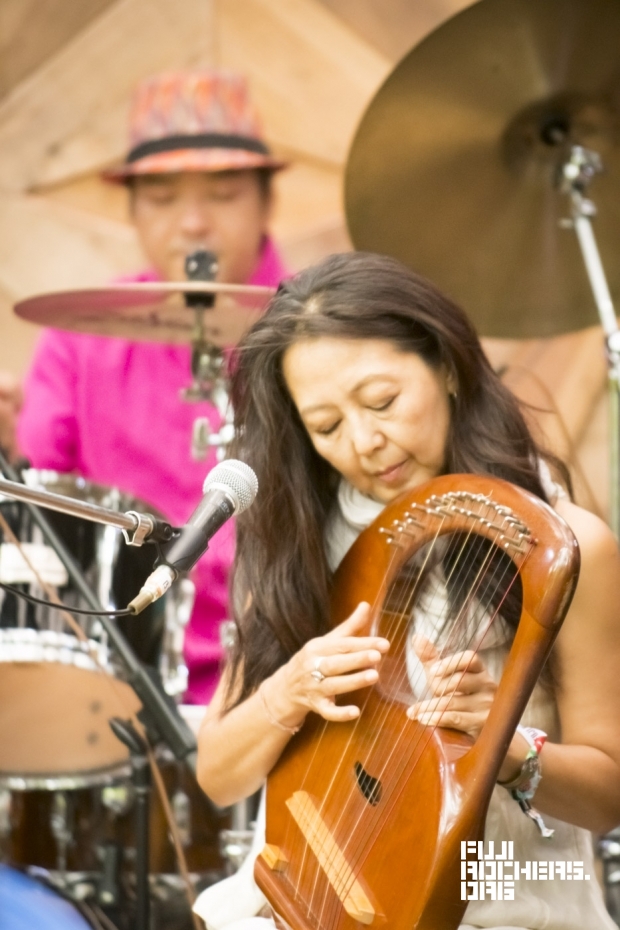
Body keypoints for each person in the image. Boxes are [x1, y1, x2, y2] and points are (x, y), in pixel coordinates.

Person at [195, 252, 620, 930]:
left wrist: (503, 746)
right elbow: (219, 776)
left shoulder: (570, 546)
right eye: (327, 426)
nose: (365, 441)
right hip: (305, 897)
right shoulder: (296, 537)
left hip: (506, 898)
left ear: (447, 367)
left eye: (382, 402)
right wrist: (290, 687)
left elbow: (609, 796)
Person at [1, 69, 288, 703]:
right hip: (124, 677)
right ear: (131, 209)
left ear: (267, 200)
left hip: (300, 673)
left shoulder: (327, 326)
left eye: (223, 193)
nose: (192, 223)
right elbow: (43, 508)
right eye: (161, 199)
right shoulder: (78, 340)